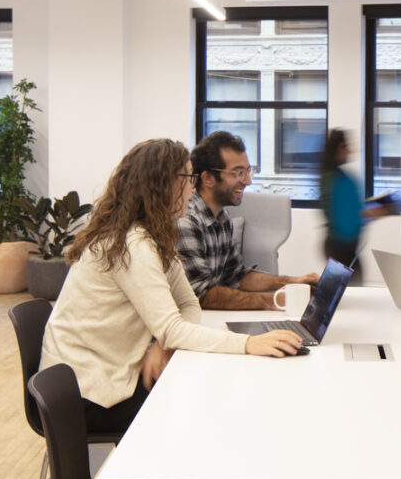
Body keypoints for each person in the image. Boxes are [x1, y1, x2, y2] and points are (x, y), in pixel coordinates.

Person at [42, 137, 302, 435]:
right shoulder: (133, 243)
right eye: (188, 179)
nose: (193, 188)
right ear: (164, 185)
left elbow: (189, 302)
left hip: (106, 371)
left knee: (201, 393)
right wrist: (248, 344)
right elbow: (172, 325)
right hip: (83, 393)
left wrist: (162, 344)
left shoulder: (154, 236)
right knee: (195, 409)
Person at [179, 130, 319, 309]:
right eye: (238, 173)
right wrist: (275, 301)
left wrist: (293, 282)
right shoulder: (187, 221)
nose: (247, 181)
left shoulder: (222, 218)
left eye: (248, 171)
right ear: (207, 178)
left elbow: (236, 277)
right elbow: (202, 294)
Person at [316, 128, 400, 272]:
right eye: (345, 147)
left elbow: (352, 209)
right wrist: (369, 213)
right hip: (340, 248)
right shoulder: (334, 180)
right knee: (349, 288)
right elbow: (344, 218)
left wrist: (371, 211)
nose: (350, 151)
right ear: (335, 149)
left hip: (347, 248)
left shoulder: (340, 177)